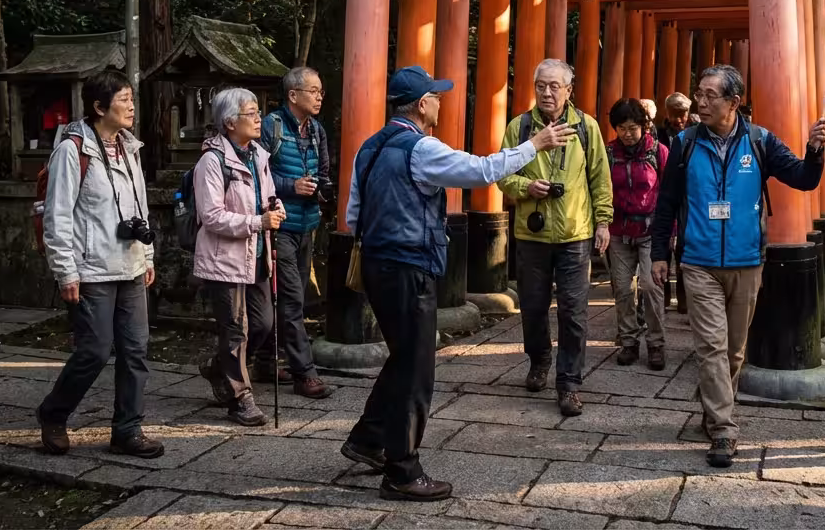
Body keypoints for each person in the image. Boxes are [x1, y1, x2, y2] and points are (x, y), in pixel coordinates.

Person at [344, 65, 574, 502]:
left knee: (404, 356)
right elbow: (483, 170)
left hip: (376, 261)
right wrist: (535, 144)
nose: (439, 101)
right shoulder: (420, 149)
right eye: (435, 96)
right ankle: (402, 470)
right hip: (409, 264)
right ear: (420, 105)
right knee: (416, 369)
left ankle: (367, 439)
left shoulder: (369, 147)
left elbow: (355, 213)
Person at [650, 65, 825, 468]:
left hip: (747, 261)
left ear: (734, 101)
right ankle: (725, 428)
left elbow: (803, 179)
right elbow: (666, 203)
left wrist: (815, 151)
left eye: (711, 95)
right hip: (698, 261)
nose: (701, 102)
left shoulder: (760, 141)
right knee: (710, 347)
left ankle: (712, 410)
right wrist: (660, 254)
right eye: (699, 94)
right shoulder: (685, 143)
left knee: (733, 351)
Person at [37, 70, 162, 459]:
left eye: (130, 98)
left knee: (136, 349)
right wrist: (65, 270)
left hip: (129, 263)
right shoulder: (73, 150)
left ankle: (128, 429)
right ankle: (54, 413)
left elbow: (138, 205)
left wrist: (147, 256)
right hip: (91, 267)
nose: (130, 106)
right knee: (94, 350)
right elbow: (56, 215)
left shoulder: (129, 147)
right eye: (122, 99)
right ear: (98, 106)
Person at [500, 59, 614, 417]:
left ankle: (569, 384)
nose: (547, 92)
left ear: (569, 90)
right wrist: (526, 186)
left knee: (574, 311)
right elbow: (502, 173)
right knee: (532, 307)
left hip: (574, 234)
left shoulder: (586, 127)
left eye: (554, 86)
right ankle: (539, 360)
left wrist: (603, 222)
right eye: (541, 86)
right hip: (531, 234)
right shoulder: (520, 127)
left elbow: (600, 177)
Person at [193, 88, 286, 427]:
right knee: (236, 330)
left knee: (262, 324)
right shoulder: (212, 161)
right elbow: (211, 215)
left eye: (258, 111)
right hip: (225, 258)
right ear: (230, 122)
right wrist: (257, 222)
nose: (259, 118)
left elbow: (269, 193)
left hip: (258, 255)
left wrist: (276, 208)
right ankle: (239, 398)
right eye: (251, 113)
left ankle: (219, 367)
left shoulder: (258, 154)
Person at [255, 67, 332, 399]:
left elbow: (325, 171)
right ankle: (305, 372)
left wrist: (322, 190)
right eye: (312, 91)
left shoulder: (316, 129)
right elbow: (257, 174)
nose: (318, 96)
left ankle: (263, 361)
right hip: (280, 226)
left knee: (291, 297)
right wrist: (291, 186)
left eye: (320, 91)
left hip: (307, 225)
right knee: (291, 300)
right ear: (293, 95)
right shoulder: (271, 127)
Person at [606, 98, 669, 370]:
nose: (627, 133)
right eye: (622, 128)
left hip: (650, 230)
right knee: (622, 288)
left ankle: (656, 344)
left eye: (633, 127)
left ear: (644, 126)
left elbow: (670, 194)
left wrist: (672, 231)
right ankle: (628, 341)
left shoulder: (659, 152)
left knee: (651, 287)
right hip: (618, 230)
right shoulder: (608, 153)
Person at [656, 92, 694, 312]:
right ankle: (662, 298)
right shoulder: (658, 135)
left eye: (683, 115)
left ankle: (684, 301)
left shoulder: (696, 132)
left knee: (684, 250)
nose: (679, 120)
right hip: (665, 192)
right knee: (662, 249)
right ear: (667, 114)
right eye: (675, 115)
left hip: (688, 195)